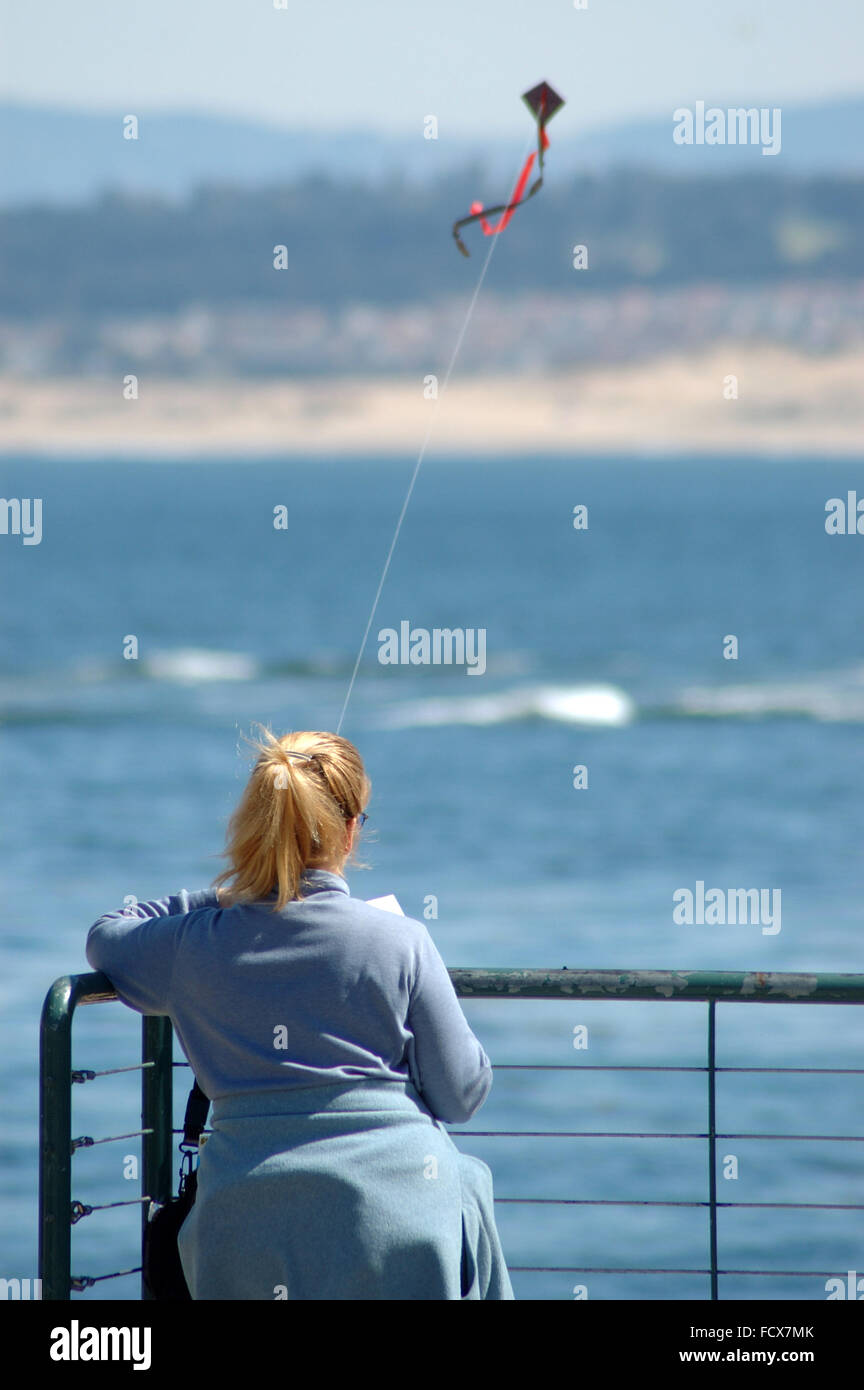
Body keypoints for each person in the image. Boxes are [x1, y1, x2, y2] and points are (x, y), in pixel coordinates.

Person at [85, 726, 514, 1300]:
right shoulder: (402, 940)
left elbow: (107, 933)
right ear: (351, 829)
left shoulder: (193, 943)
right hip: (404, 1213)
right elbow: (462, 1094)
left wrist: (234, 894)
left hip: (244, 1220)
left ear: (257, 826)